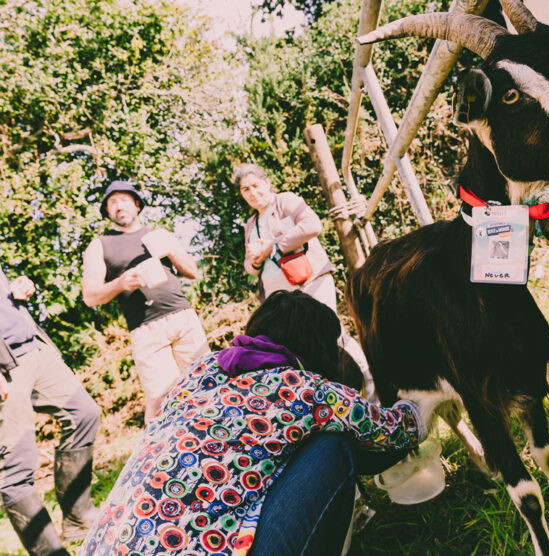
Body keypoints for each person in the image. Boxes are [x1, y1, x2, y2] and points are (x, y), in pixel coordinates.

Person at [79, 290, 425, 556]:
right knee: (331, 447)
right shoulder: (300, 387)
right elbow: (394, 430)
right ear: (319, 345)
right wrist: (419, 400)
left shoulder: (200, 371)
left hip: (109, 544)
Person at [236, 163, 376, 400]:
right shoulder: (250, 224)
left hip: (310, 281)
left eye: (255, 185)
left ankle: (373, 390)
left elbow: (313, 225)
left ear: (267, 183)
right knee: (302, 346)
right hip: (279, 299)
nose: (252, 192)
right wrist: (255, 260)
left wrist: (275, 245)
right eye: (245, 189)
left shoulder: (285, 201)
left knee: (334, 333)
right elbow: (249, 267)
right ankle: (334, 398)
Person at [82, 180, 209, 423]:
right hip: (145, 330)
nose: (119, 206)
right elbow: (90, 296)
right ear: (107, 211)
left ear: (137, 204)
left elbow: (193, 271)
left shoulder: (158, 234)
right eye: (112, 202)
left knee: (206, 381)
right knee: (161, 401)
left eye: (124, 200)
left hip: (182, 318)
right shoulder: (99, 245)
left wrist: (170, 250)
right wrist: (120, 283)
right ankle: (162, 455)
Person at [0, 269, 100, 556]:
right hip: (4, 366)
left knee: (84, 414)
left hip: (32, 350)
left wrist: (17, 292)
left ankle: (78, 518)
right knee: (16, 469)